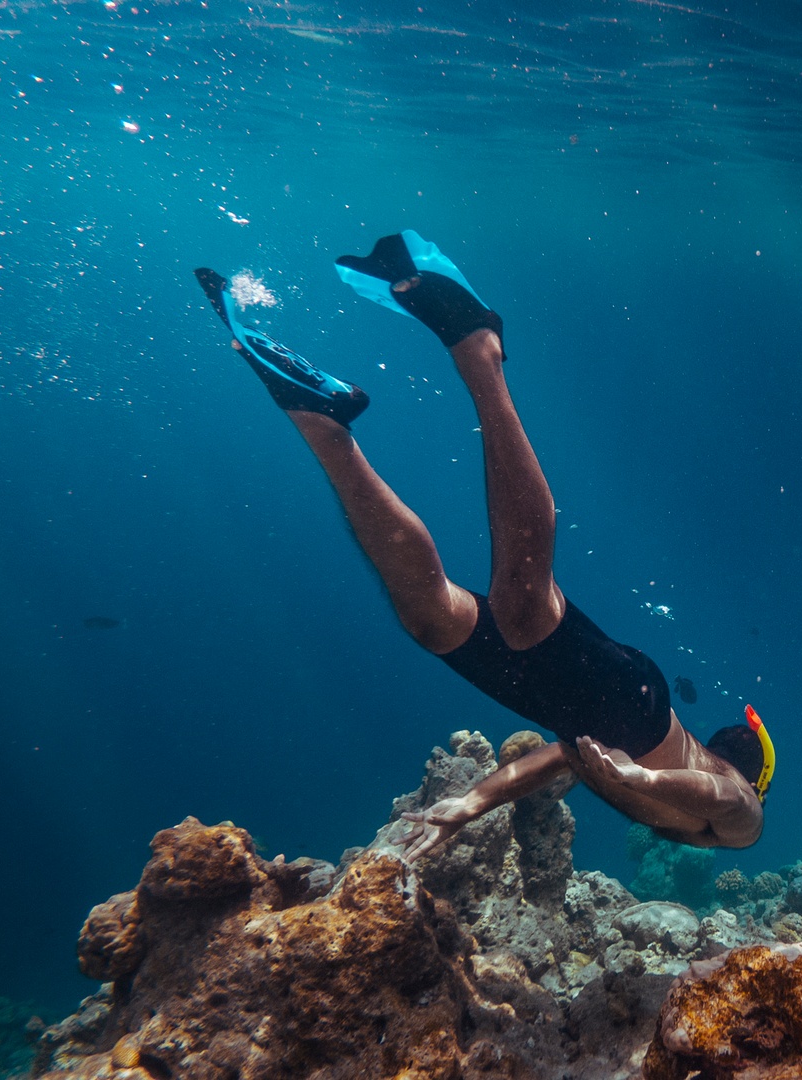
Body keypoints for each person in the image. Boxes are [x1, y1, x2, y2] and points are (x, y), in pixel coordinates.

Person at [193, 230, 771, 859]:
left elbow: (555, 758)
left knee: (433, 620)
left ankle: (322, 421)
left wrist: (469, 805)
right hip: (633, 706)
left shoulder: (668, 786)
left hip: (575, 717)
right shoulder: (744, 819)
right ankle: (479, 346)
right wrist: (647, 779)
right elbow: (727, 800)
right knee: (523, 610)